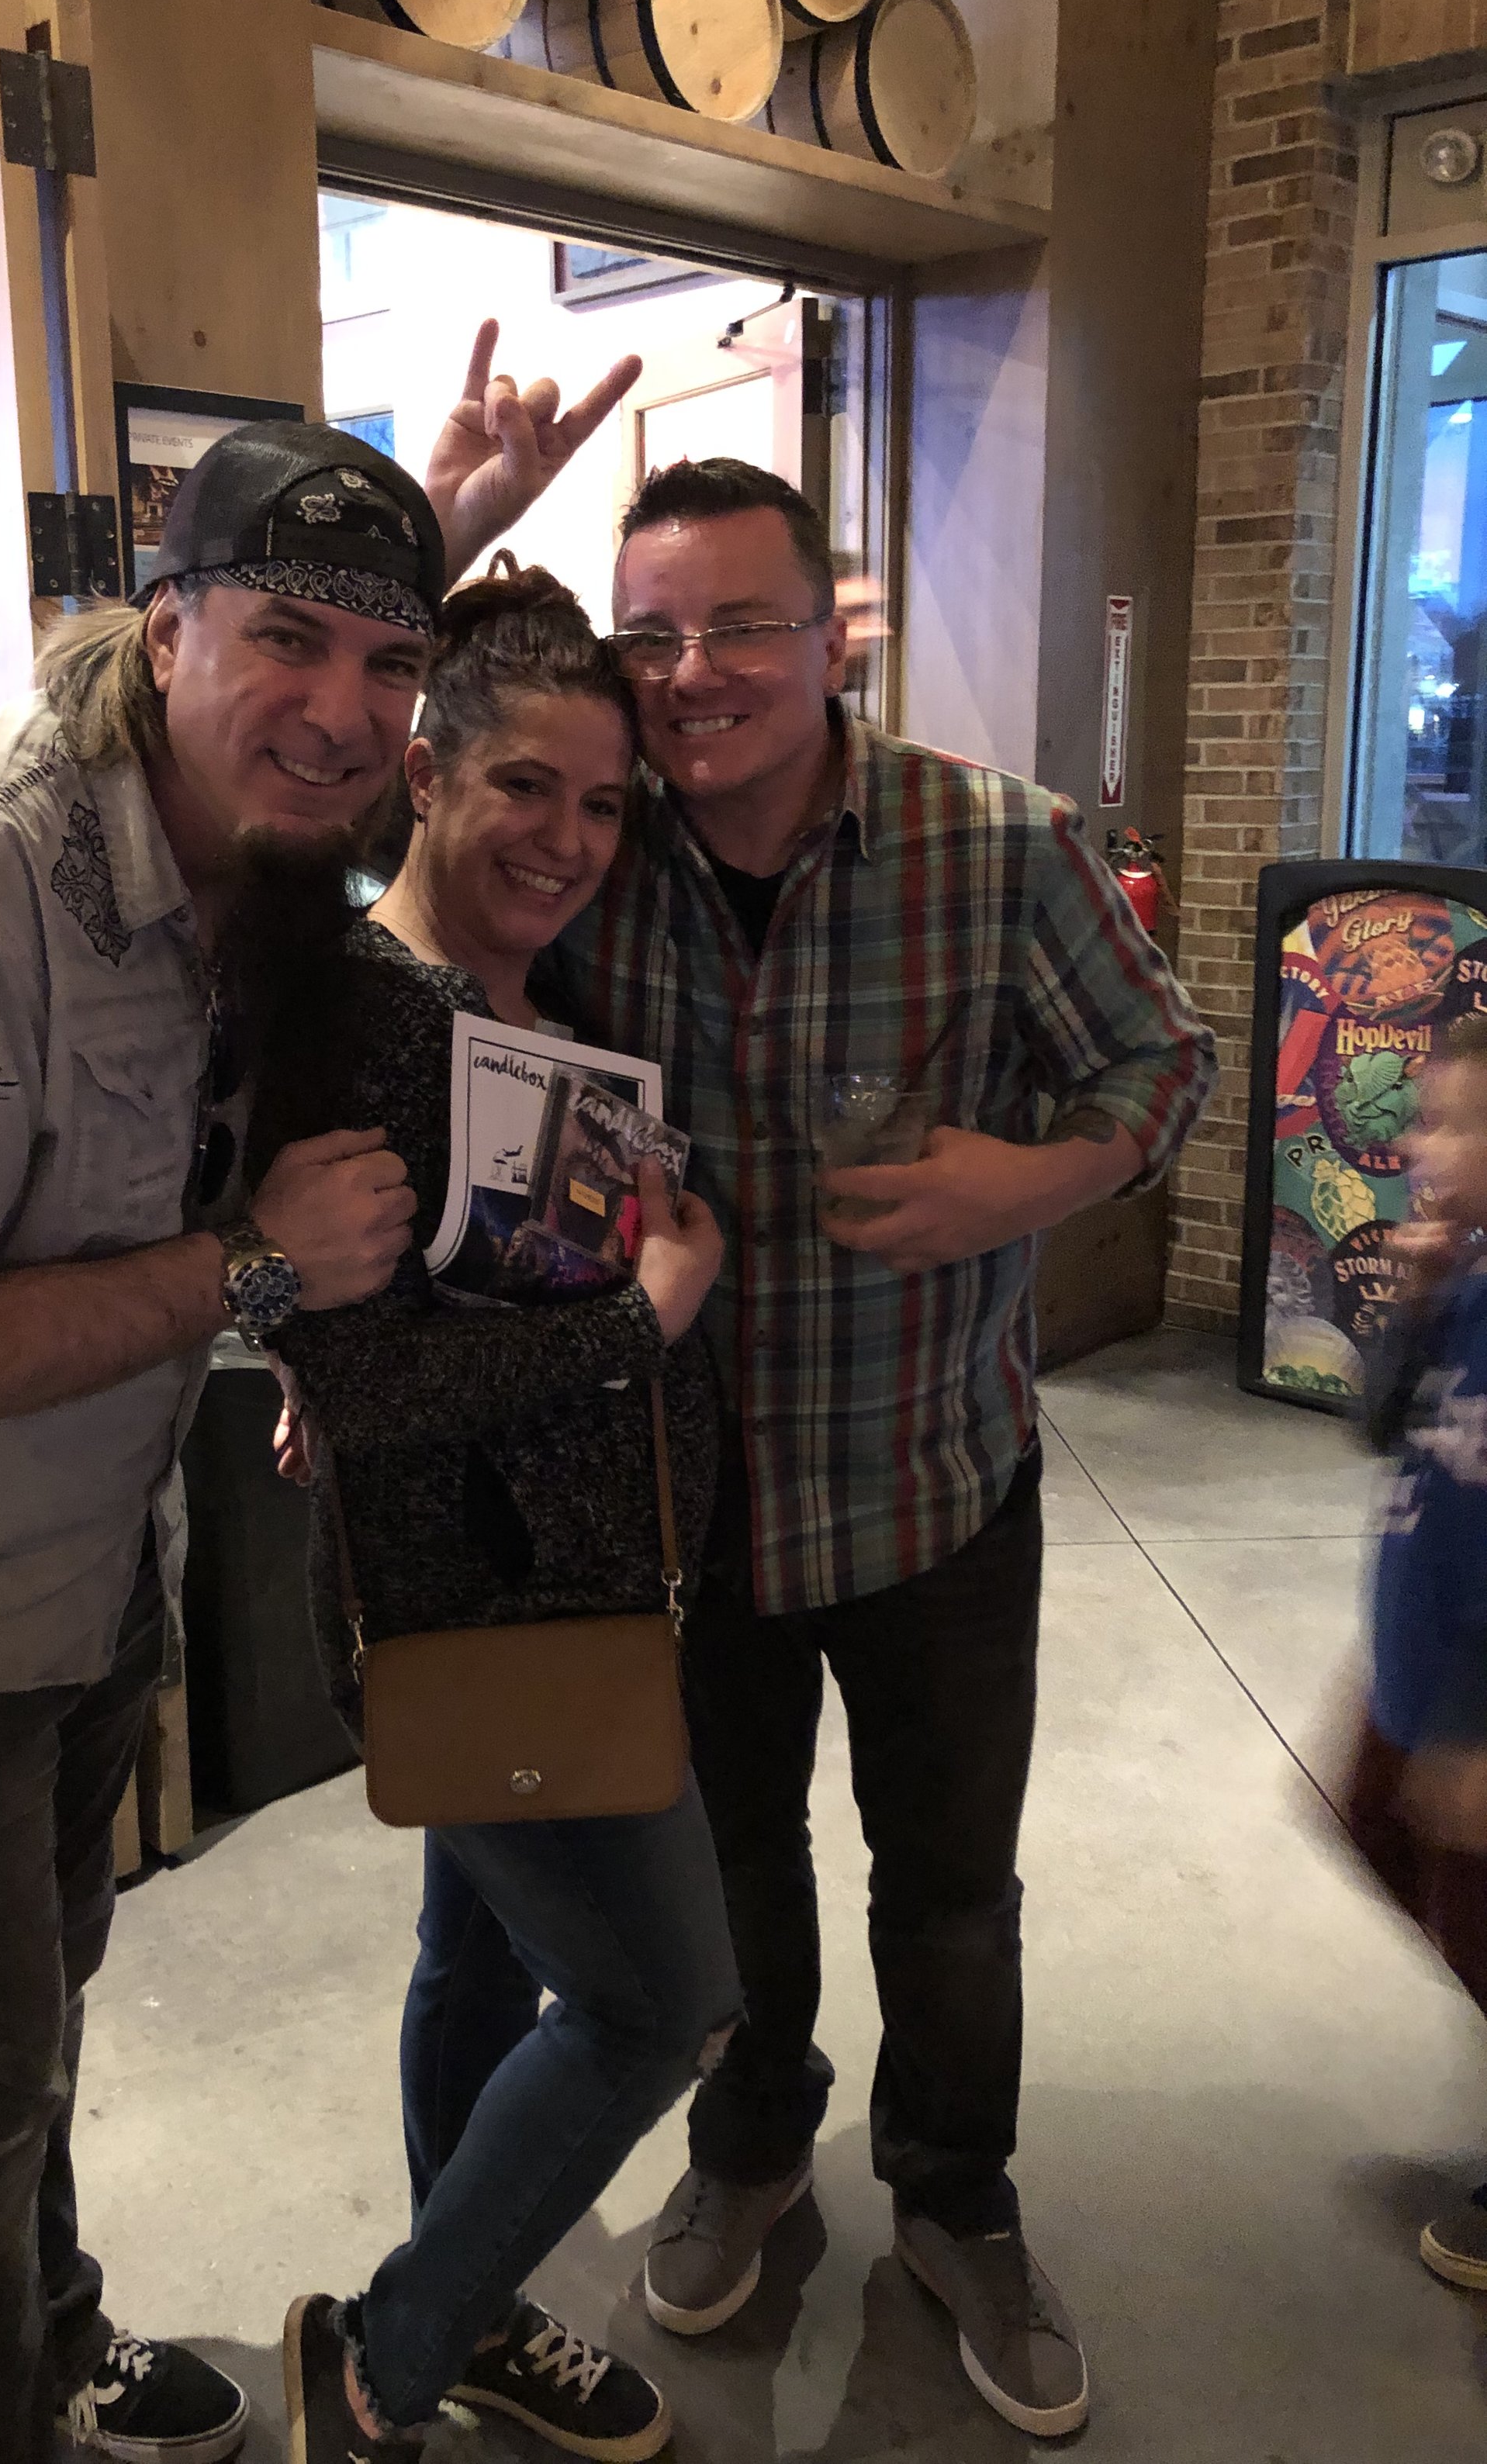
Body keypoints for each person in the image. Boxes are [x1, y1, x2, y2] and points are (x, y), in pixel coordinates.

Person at [0, 328, 640, 2464]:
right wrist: (259, 1269)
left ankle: (52, 2335)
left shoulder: (253, 814)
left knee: (36, 2017)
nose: (348, 714)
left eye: (392, 671)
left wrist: (427, 542)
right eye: (288, 639)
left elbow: (312, 698)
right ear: (162, 619)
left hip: (74, 1556)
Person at [518, 458, 1217, 2439]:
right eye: (652, 633)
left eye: (743, 622)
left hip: (932, 1480)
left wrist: (1038, 1182)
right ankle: (751, 2139)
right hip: (686, 1504)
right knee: (731, 1875)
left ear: (836, 637)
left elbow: (1163, 1063)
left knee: (953, 1896)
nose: (694, 671)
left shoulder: (993, 848)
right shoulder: (593, 847)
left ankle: (957, 2196)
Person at [260, 562, 740, 2462]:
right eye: (526, 787)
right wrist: (646, 1315)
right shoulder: (379, 1024)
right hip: (478, 1624)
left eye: (605, 801)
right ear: (431, 773)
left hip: (573, 1599)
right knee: (653, 2003)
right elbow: (370, 1396)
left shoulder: (531, 1001)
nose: (569, 836)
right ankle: (393, 2343)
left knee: (476, 1964)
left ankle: (478, 2304)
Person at [1340, 1013, 1487, 2293]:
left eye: (1462, 1122)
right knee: (1367, 1820)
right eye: (1429, 1117)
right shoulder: (1470, 1278)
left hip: (1473, 1708)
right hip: (1415, 1665)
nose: (1429, 1146)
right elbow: (1378, 1429)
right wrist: (1420, 1302)